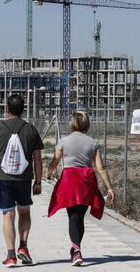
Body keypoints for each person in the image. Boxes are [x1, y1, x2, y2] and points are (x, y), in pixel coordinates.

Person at [47, 111, 115, 266]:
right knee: (79, 217)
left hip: (70, 180)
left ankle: (76, 251)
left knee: (73, 216)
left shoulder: (64, 141)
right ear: (86, 124)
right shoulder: (93, 142)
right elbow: (101, 167)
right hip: (86, 181)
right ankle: (76, 249)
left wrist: (48, 173)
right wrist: (109, 187)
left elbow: (55, 161)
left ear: (72, 123)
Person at [0, 94, 44, 267]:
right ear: (23, 109)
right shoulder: (30, 129)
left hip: (4, 179)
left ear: (7, 109)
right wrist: (38, 181)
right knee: (24, 212)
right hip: (24, 178)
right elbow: (38, 158)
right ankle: (23, 247)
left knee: (8, 215)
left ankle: (11, 256)